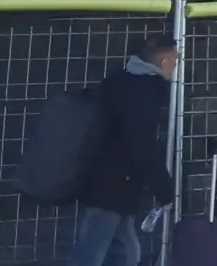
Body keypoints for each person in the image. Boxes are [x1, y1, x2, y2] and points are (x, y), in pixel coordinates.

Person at [67, 33, 177, 266]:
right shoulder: (144, 93)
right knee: (95, 254)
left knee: (125, 253)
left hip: (107, 182)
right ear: (165, 62)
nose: (176, 68)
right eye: (176, 62)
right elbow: (143, 145)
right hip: (114, 185)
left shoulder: (119, 81)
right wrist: (164, 188)